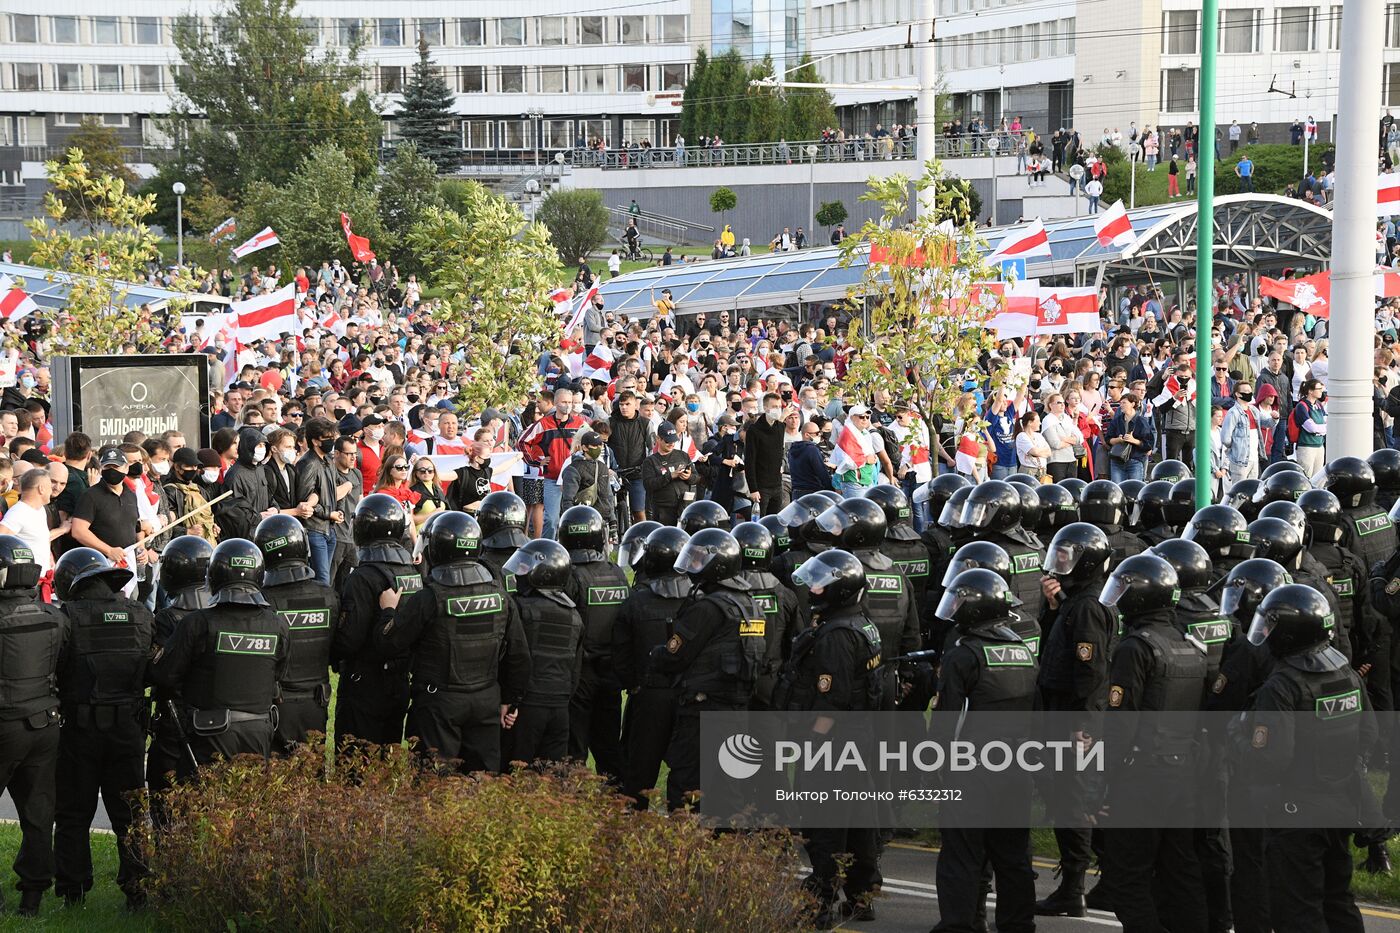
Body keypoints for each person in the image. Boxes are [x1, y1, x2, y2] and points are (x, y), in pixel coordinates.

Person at [1241, 585, 1377, 933]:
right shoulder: (1345, 672)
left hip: (1296, 811)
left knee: (1297, 909)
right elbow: (1369, 734)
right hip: (1341, 802)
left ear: (1288, 632)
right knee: (1338, 901)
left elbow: (1273, 758)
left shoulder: (1283, 684)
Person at [1098, 553, 1209, 931]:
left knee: (1126, 874)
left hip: (1142, 777)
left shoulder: (1136, 648)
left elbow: (1121, 724)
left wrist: (1104, 786)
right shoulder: (1189, 643)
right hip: (1183, 773)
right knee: (1180, 870)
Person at [775, 549, 884, 926]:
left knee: (826, 823)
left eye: (822, 581)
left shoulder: (837, 636)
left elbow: (830, 703)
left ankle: (819, 900)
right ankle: (861, 896)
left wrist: (809, 743)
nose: (815, 587)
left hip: (833, 744)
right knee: (858, 821)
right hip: (859, 738)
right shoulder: (861, 623)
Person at [379, 511, 530, 774]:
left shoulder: (429, 597)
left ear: (437, 548)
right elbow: (518, 655)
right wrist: (510, 700)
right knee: (480, 785)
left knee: (434, 788)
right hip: (485, 699)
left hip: (439, 704)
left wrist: (388, 611)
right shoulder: (500, 595)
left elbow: (390, 643)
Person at [930, 567, 1038, 933]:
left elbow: (948, 722)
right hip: (1017, 767)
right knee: (1012, 857)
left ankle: (959, 925)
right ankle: (1018, 925)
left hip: (972, 770)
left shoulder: (964, 655)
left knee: (962, 853)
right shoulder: (1023, 651)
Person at [51, 548, 153, 909]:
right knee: (130, 815)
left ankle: (73, 893)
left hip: (80, 729)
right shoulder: (140, 613)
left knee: (73, 813)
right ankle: (138, 891)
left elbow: (55, 670)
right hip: (128, 728)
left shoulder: (67, 617)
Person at [150, 539, 290, 768]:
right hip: (258, 732)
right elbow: (278, 674)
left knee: (205, 800)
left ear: (213, 577)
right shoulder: (278, 625)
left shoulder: (197, 623)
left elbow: (164, 675)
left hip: (209, 735)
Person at [1035, 522, 1114, 917]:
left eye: (1068, 556)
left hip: (1076, 718)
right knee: (1063, 795)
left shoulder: (1086, 606)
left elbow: (1090, 672)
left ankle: (1075, 888)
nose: (1060, 563)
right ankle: (1100, 879)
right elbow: (1053, 646)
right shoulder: (1072, 601)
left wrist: (1081, 727)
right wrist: (1053, 607)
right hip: (1061, 713)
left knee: (1076, 800)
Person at [655, 528, 765, 811]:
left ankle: (684, 851)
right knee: (729, 789)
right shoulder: (751, 605)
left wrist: (655, 655)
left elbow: (675, 656)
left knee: (686, 786)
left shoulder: (709, 608)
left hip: (703, 710)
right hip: (738, 709)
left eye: (698, 560)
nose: (693, 565)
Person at [0, 537, 67, 916]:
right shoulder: (55, 616)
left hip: (5, 724)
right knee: (38, 814)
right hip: (44, 725)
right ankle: (32, 898)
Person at [331, 494, 419, 748]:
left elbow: (350, 639)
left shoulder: (363, 576)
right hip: (401, 679)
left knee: (356, 765)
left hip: (365, 682)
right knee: (385, 761)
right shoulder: (412, 572)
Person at [613, 526, 691, 808]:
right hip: (687, 697)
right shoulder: (699, 600)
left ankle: (634, 827)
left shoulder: (635, 602)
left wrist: (632, 685)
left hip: (647, 696)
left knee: (639, 769)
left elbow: (621, 654)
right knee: (686, 770)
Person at [253, 514, 339, 752]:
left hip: (275, 705)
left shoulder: (262, 600)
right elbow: (340, 648)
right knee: (311, 775)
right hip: (316, 704)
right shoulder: (328, 595)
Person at [559, 506, 629, 782]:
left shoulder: (569, 576)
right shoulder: (617, 573)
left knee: (574, 744)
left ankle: (574, 806)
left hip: (580, 672)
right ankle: (616, 802)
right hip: (610, 671)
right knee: (608, 743)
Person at [145, 535, 211, 828]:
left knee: (164, 794)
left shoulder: (167, 619)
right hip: (214, 716)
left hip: (175, 719)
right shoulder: (221, 613)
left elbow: (159, 672)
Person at [502, 538, 584, 765]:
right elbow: (575, 671)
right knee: (551, 782)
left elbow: (514, 659)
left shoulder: (519, 608)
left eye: (525, 567)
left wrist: (511, 702)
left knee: (514, 777)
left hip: (526, 707)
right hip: (559, 709)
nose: (520, 572)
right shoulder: (574, 615)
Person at [521, 386, 588, 540]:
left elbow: (593, 443)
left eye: (570, 402)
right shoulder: (544, 424)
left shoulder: (580, 423)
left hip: (575, 479)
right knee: (551, 520)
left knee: (575, 519)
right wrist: (536, 461)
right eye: (564, 401)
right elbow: (523, 442)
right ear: (556, 403)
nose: (568, 405)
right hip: (552, 479)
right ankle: (547, 550)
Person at [294, 417, 342, 586]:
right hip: (315, 530)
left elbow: (332, 490)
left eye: (333, 438)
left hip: (330, 528)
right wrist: (330, 513)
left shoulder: (328, 460)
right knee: (322, 580)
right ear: (315, 441)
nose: (331, 442)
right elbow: (305, 500)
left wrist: (337, 512)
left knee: (326, 578)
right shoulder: (308, 463)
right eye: (327, 439)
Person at [1220, 381, 1276, 483]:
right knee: (1239, 491)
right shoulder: (1233, 412)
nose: (1249, 393)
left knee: (1252, 489)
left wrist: (1275, 418)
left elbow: (1267, 423)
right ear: (1237, 394)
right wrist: (1236, 447)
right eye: (1245, 391)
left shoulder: (1254, 410)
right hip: (1239, 460)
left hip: (1254, 458)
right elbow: (1225, 438)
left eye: (1250, 391)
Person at [641, 421, 695, 526]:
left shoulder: (683, 455)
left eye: (673, 441)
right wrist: (670, 476)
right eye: (667, 441)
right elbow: (648, 484)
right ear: (658, 439)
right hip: (663, 509)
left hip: (684, 505)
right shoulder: (650, 461)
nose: (671, 444)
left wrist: (688, 476)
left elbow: (696, 478)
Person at [1106, 394, 1152, 482]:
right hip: (1117, 460)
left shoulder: (1141, 421)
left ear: (1132, 404)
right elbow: (1108, 439)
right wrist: (1118, 440)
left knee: (1135, 489)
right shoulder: (1117, 420)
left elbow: (1148, 444)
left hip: (1135, 460)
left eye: (1124, 403)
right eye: (1120, 403)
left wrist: (1133, 440)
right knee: (1117, 489)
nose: (1121, 405)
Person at [1292, 378, 1327, 476]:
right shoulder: (1301, 406)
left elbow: (1326, 421)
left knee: (1318, 477)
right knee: (1307, 476)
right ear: (1310, 391)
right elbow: (1311, 428)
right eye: (1318, 389)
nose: (1321, 391)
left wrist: (1320, 429)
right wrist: (1323, 428)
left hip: (1319, 446)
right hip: (1306, 447)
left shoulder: (1319, 405)